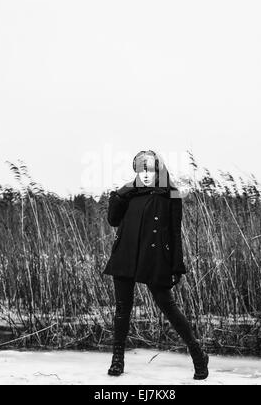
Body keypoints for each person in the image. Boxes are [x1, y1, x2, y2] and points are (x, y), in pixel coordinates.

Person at [103, 150, 209, 380]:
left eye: (150, 169)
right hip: (125, 254)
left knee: (167, 305)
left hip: (156, 257)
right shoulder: (129, 193)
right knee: (122, 309)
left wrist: (176, 265)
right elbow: (112, 220)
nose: (146, 174)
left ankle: (198, 354)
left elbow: (174, 232)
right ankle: (117, 360)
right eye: (142, 169)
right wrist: (120, 194)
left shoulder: (170, 194)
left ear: (159, 169)